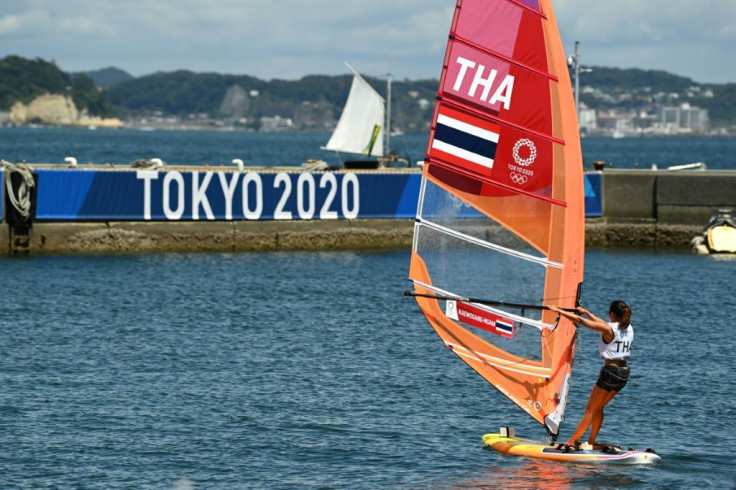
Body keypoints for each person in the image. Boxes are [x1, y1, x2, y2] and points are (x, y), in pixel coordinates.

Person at [548, 301, 634, 448]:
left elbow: (581, 321)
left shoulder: (609, 329)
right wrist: (587, 312)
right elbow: (602, 324)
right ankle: (591, 442)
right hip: (624, 373)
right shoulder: (628, 327)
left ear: (612, 314)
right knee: (598, 407)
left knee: (590, 410)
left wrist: (558, 311)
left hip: (610, 373)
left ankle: (572, 441)